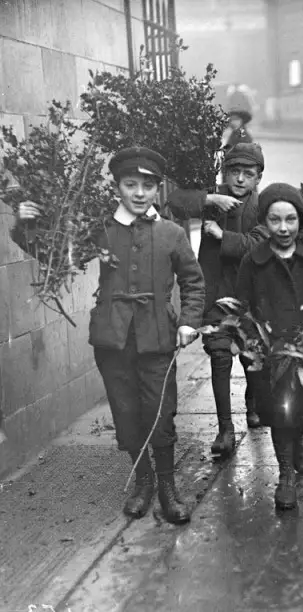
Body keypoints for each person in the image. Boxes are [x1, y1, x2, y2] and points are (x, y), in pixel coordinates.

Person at [10, 147, 205, 524]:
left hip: (158, 338)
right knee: (127, 413)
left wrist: (188, 321)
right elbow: (56, 256)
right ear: (117, 187)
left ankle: (167, 486)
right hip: (113, 339)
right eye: (130, 184)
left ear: (157, 189)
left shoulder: (171, 233)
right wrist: (24, 225)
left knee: (160, 414)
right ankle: (143, 480)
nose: (138, 193)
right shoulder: (100, 229)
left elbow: (194, 282)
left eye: (147, 185)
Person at [235, 183, 303, 510]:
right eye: (275, 220)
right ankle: (285, 473)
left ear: (301, 220)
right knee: (278, 411)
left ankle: (299, 439)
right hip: (270, 351)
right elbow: (241, 302)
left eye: (290, 220)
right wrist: (247, 334)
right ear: (264, 223)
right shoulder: (253, 261)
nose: (283, 228)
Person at [166, 143, 268, 457]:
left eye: (247, 174)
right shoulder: (214, 198)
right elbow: (174, 202)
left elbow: (259, 244)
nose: (239, 179)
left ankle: (253, 404)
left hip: (250, 300)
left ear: (258, 178)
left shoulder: (263, 206)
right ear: (225, 173)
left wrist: (222, 236)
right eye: (233, 172)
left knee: (254, 359)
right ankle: (225, 427)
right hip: (216, 296)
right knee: (220, 357)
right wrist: (209, 198)